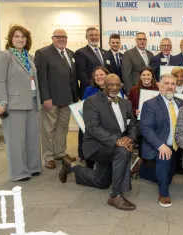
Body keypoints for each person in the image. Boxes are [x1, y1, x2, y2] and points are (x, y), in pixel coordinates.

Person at [58, 74, 137, 211]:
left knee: (101, 182)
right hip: (96, 146)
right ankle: (116, 196)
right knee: (123, 151)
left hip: (115, 144)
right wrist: (117, 140)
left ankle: (70, 166)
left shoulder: (125, 103)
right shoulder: (91, 102)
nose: (114, 88)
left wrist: (129, 138)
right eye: (111, 85)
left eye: (117, 85)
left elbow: (132, 125)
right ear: (103, 86)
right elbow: (93, 128)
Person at [0, 25, 42, 182]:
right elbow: (0, 80)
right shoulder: (4, 55)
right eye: (17, 36)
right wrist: (2, 102)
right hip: (14, 104)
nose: (20, 39)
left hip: (32, 102)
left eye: (23, 37)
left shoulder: (30, 57)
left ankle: (33, 167)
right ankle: (19, 172)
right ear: (11, 39)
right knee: (16, 141)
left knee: (32, 138)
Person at [138, 74, 183, 207]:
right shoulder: (150, 104)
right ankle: (163, 194)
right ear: (159, 85)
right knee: (164, 163)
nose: (170, 87)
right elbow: (146, 128)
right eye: (167, 83)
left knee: (169, 177)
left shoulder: (180, 103)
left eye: (173, 84)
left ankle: (143, 170)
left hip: (176, 146)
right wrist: (160, 145)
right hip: (159, 145)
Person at [35, 29, 79, 169]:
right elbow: (41, 78)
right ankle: (48, 156)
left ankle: (60, 153)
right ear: (52, 38)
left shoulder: (70, 53)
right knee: (49, 129)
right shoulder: (43, 53)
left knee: (62, 128)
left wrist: (75, 96)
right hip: (51, 100)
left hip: (67, 99)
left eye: (64, 37)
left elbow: (72, 77)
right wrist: (45, 97)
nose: (61, 39)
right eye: (58, 37)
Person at [75, 27, 107, 97]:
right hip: (90, 91)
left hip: (105, 90)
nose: (94, 37)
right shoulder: (80, 52)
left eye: (96, 35)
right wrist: (96, 86)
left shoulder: (104, 52)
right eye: (91, 35)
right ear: (86, 37)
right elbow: (81, 75)